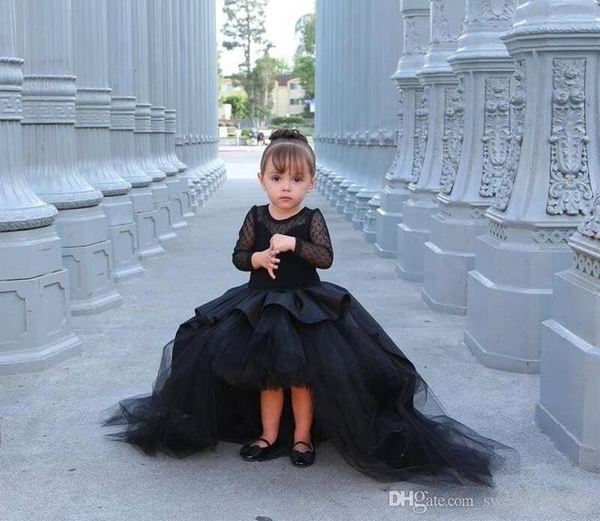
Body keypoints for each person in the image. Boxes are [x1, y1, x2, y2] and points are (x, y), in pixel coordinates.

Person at [102, 128, 519, 487]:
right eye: (277, 177)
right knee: (267, 378)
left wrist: (295, 244)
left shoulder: (310, 218)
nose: (287, 186)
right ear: (262, 179)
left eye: (296, 179)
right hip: (259, 306)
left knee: (301, 379)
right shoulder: (256, 216)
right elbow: (238, 255)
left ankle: (301, 436)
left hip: (305, 307)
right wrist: (258, 259)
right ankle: (267, 436)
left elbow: (325, 257)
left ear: (311, 183)